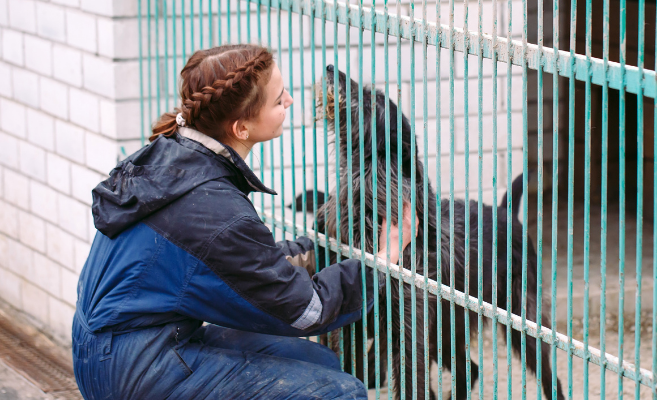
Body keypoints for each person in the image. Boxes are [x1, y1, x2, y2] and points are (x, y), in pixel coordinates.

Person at [72, 44, 414, 399]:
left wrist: (319, 248)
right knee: (339, 392)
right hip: (135, 372)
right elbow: (307, 311)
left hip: (109, 352)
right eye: (279, 99)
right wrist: (382, 259)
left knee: (318, 361)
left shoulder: (171, 158)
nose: (291, 101)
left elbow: (227, 261)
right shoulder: (215, 207)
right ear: (242, 127)